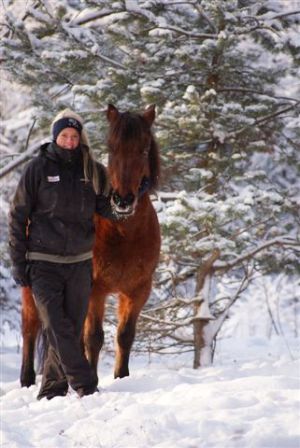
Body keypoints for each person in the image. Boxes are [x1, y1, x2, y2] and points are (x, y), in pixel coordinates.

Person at [9, 109, 116, 400]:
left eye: (74, 136)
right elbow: (18, 216)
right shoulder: (37, 169)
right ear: (55, 136)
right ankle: (86, 385)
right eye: (64, 135)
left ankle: (52, 392)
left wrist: (131, 200)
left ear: (80, 138)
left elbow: (108, 210)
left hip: (80, 264)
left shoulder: (92, 170)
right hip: (43, 263)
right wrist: (19, 263)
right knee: (57, 326)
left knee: (68, 327)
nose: (69, 141)